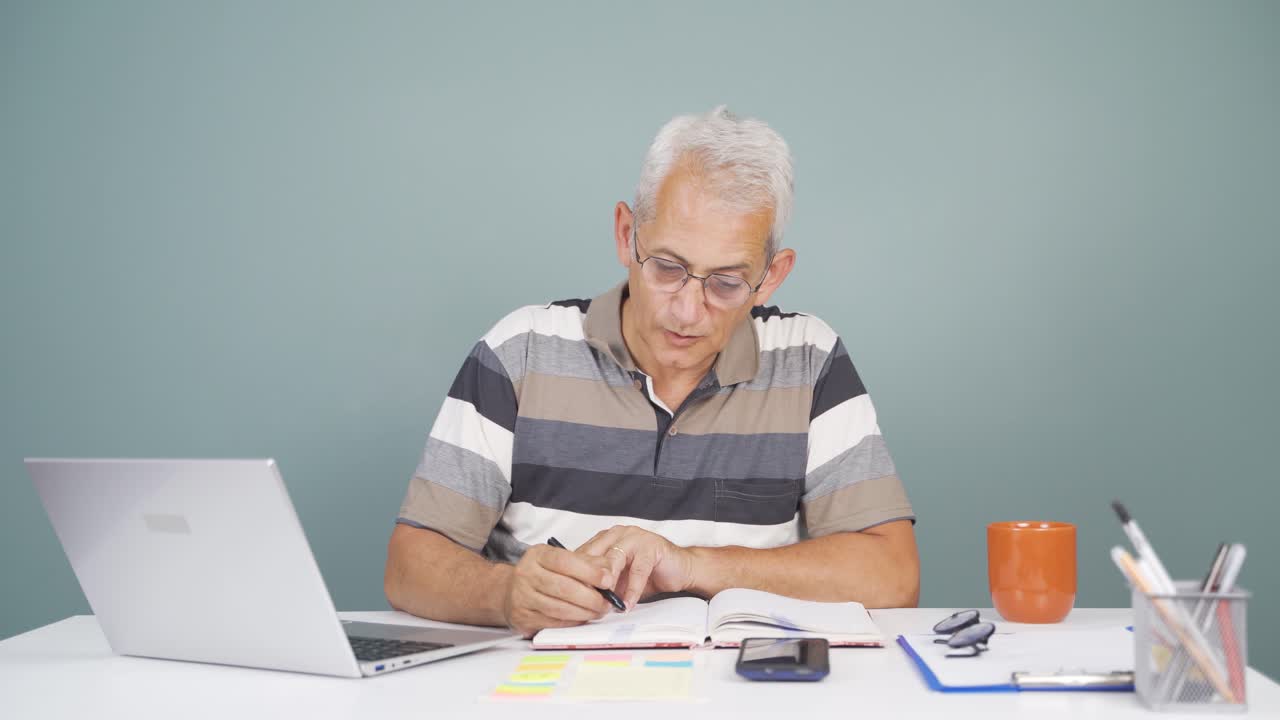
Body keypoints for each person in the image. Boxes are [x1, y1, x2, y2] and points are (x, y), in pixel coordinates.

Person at [385, 106, 919, 638]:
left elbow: (892, 576)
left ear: (772, 276)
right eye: (667, 267)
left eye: (727, 283)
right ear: (625, 235)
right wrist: (504, 595)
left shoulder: (810, 361)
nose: (687, 311)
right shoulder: (520, 351)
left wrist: (690, 564)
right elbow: (410, 566)